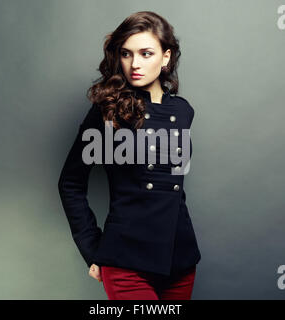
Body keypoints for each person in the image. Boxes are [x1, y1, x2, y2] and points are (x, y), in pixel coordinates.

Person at [58, 11, 201, 300]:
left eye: (146, 53)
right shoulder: (107, 111)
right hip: (126, 259)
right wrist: (92, 248)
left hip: (180, 259)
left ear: (166, 57)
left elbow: (172, 188)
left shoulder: (183, 112)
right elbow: (70, 183)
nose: (134, 64)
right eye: (126, 53)